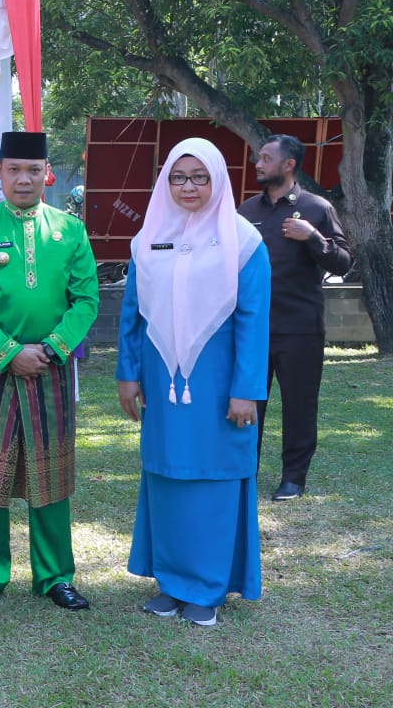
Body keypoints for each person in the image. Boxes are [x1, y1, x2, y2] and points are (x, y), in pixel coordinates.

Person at [117, 138, 268, 627]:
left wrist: (247, 389)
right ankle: (173, 582)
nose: (188, 186)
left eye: (199, 176)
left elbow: (252, 320)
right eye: (178, 177)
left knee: (213, 476)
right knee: (166, 475)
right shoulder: (149, 239)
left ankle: (207, 588)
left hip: (219, 383)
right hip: (162, 381)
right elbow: (131, 316)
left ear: (218, 179)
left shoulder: (244, 242)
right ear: (166, 181)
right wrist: (128, 374)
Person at [0, 131, 99, 611]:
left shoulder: (70, 229)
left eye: (32, 170)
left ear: (46, 173)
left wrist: (53, 347)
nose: (23, 178)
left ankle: (55, 575)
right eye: (13, 169)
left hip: (50, 368)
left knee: (49, 473)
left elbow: (86, 300)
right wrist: (7, 351)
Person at [237, 134, 352, 501]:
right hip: (251, 328)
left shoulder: (316, 208)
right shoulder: (245, 212)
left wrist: (313, 237)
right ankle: (243, 473)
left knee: (300, 405)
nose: (258, 163)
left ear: (289, 164)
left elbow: (344, 262)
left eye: (266, 158)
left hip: (300, 327)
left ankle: (293, 478)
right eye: (259, 157)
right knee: (247, 403)